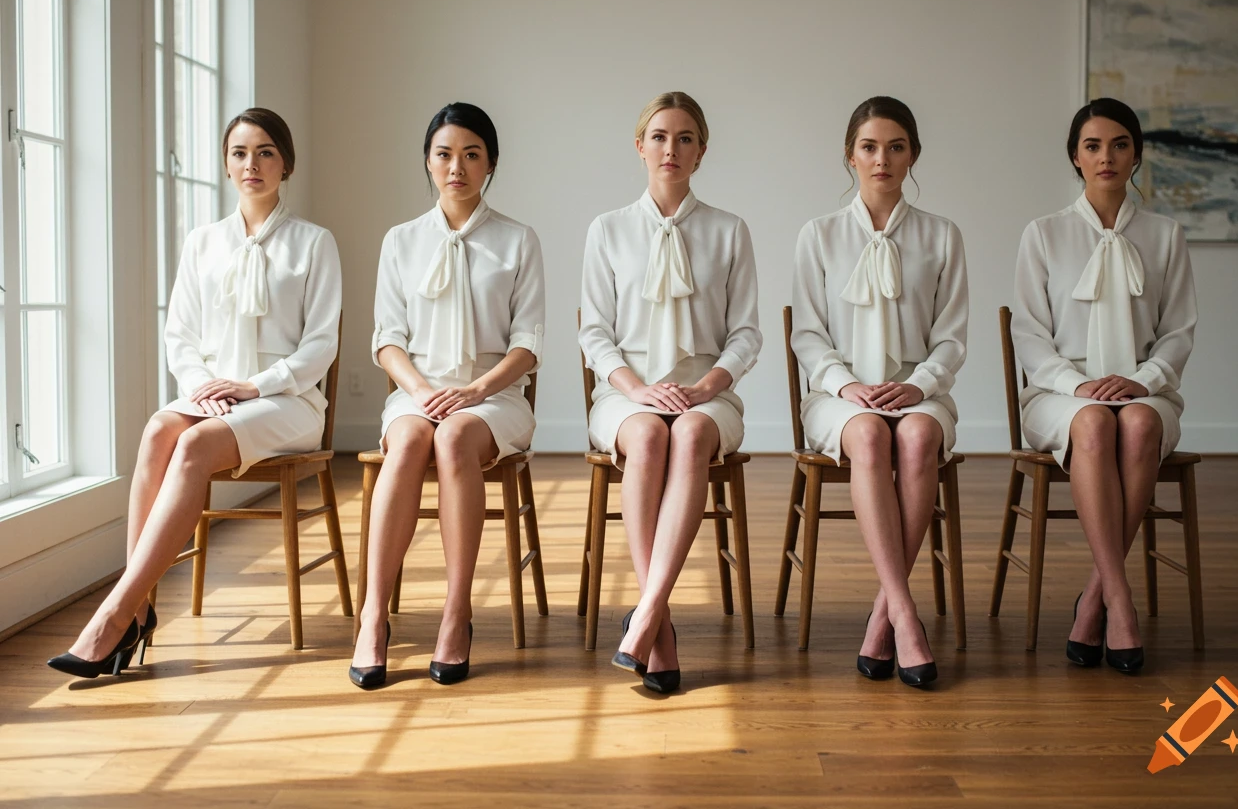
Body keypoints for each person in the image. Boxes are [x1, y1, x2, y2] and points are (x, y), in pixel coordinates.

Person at [49, 108, 342, 679]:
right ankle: (141, 609)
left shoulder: (314, 242)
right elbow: (179, 334)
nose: (251, 164)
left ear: (286, 163)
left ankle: (115, 614)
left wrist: (255, 385)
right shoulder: (203, 242)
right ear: (226, 164)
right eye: (239, 153)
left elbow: (321, 345)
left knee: (192, 447)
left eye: (264, 152)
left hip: (287, 400)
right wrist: (203, 390)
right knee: (161, 428)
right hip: (215, 397)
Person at [349, 103, 544, 689]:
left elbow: (528, 345)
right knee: (408, 439)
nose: (456, 166)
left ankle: (456, 615)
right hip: (419, 390)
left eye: (471, 154)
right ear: (427, 162)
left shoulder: (518, 240)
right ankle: (372, 617)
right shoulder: (401, 240)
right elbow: (387, 339)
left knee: (456, 437)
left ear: (490, 164)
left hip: (493, 396)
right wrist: (423, 391)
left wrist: (475, 391)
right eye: (444, 153)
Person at [579, 91, 761, 693]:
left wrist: (708, 384)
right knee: (649, 437)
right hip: (628, 395)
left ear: (701, 152)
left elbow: (745, 334)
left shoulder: (730, 230)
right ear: (640, 146)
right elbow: (595, 334)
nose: (671, 149)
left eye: (685, 138)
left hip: (708, 393)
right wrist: (637, 389)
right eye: (659, 136)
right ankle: (659, 623)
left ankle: (648, 611)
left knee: (688, 435)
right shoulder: (607, 230)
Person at [1012, 97, 1197, 674]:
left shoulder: (1166, 236)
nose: (1106, 156)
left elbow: (1178, 333)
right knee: (1094, 423)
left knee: (1137, 423)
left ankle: (1096, 597)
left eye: (1119, 144)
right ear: (1075, 156)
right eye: (1092, 146)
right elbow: (1029, 334)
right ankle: (1120, 601)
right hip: (1059, 396)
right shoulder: (1043, 234)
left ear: (1136, 154)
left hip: (1145, 391)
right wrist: (1079, 385)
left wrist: (1140, 382)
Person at [791, 96, 968, 687]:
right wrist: (848, 387)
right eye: (869, 147)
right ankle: (904, 615)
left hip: (920, 391)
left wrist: (918, 387)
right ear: (850, 156)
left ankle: (882, 618)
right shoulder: (817, 236)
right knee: (867, 436)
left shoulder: (943, 236)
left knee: (917, 440)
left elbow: (951, 338)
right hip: (840, 397)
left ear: (913, 154)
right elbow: (808, 336)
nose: (882, 159)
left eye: (896, 147)